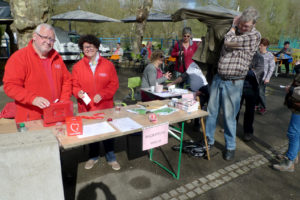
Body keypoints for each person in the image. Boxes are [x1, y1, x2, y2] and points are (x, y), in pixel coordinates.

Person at [201, 7, 261, 161]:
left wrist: (233, 26)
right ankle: (208, 141)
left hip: (234, 83)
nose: (242, 27)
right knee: (211, 112)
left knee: (229, 117)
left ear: (254, 24)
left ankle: (230, 146)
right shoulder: (234, 31)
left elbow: (228, 42)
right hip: (218, 78)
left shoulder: (254, 36)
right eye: (241, 24)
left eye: (245, 26)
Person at [3, 23, 72, 123]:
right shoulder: (19, 58)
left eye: (52, 39)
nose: (48, 42)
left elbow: (67, 81)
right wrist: (33, 99)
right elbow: (10, 86)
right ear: (34, 36)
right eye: (45, 37)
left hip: (55, 115)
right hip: (30, 118)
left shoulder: (57, 58)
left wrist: (63, 100)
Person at [72, 34, 120, 171]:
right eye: (86, 47)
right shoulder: (77, 67)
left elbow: (114, 84)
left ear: (97, 47)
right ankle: (93, 156)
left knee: (108, 132)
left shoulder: (108, 65)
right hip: (86, 108)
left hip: (105, 107)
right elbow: (74, 85)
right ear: (82, 49)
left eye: (92, 46)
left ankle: (111, 157)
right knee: (91, 133)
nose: (89, 49)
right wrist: (77, 92)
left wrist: (103, 95)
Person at [273, 64, 300, 172]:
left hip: (298, 107)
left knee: (293, 132)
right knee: (296, 132)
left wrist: (292, 89)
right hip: (297, 106)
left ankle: (289, 161)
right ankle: (293, 155)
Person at [236, 52, 264, 142]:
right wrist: (249, 69)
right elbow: (234, 69)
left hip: (252, 88)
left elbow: (256, 73)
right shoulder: (240, 54)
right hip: (238, 86)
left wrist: (243, 70)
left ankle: (248, 132)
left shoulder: (259, 57)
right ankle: (231, 127)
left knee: (249, 111)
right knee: (235, 109)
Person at [256, 38, 275, 115]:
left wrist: (268, 78)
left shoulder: (269, 55)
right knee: (255, 92)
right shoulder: (257, 53)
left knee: (261, 93)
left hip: (263, 78)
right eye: (259, 45)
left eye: (261, 45)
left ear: (266, 46)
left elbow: (272, 67)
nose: (259, 47)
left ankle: (263, 107)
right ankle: (257, 105)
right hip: (255, 77)